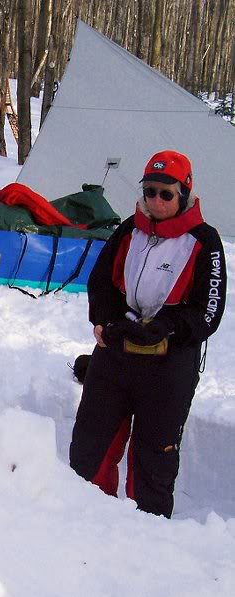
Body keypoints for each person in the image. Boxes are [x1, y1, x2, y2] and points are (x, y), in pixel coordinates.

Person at [69, 150, 227, 518]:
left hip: (169, 362)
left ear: (184, 194)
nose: (156, 201)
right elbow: (101, 281)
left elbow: (209, 309)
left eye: (166, 194)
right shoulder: (130, 228)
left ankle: (147, 533)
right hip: (118, 351)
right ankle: (83, 516)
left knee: (154, 456)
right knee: (91, 444)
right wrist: (105, 319)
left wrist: (169, 328)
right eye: (149, 191)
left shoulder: (205, 242)